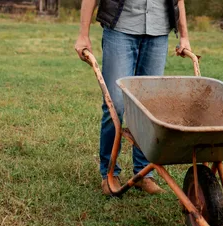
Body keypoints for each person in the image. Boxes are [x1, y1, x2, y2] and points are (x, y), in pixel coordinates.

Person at [75, 0, 191, 195]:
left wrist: (185, 36)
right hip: (120, 30)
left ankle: (144, 174)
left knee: (149, 107)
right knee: (116, 105)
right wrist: (83, 35)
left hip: (158, 32)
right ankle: (110, 173)